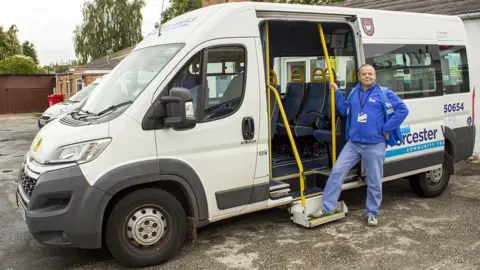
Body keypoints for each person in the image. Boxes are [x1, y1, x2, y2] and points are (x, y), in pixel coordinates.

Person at [309, 64, 409, 226]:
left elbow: (403, 110)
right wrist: (336, 93)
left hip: (375, 144)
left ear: (375, 76)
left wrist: (386, 128)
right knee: (337, 172)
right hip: (354, 143)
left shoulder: (384, 93)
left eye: (370, 74)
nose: (367, 76)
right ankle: (328, 207)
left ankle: (372, 213)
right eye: (364, 74)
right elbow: (344, 110)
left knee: (374, 180)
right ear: (359, 76)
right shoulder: (354, 93)